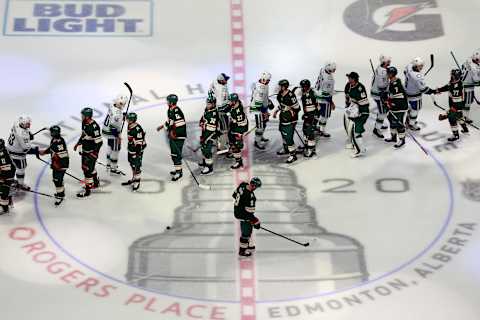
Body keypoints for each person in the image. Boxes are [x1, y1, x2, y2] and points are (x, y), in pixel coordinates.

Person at [74, 107, 103, 198]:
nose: (81, 116)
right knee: (91, 168)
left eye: (82, 115)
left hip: (91, 152)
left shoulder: (94, 127)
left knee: (86, 170)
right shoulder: (84, 123)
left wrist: (94, 154)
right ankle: (96, 182)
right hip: (85, 150)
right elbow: (84, 135)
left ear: (87, 116)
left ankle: (87, 190)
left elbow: (99, 142)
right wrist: (78, 143)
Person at [157, 94, 186, 181]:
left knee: (175, 154)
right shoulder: (170, 110)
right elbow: (170, 121)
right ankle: (178, 169)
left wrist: (175, 133)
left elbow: (181, 124)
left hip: (178, 136)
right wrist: (162, 126)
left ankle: (179, 173)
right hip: (174, 135)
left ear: (171, 102)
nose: (167, 102)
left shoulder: (176, 110)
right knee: (174, 154)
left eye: (168, 101)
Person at [436, 69, 469, 141]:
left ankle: (456, 135)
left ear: (456, 76)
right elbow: (447, 87)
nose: (451, 76)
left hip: (457, 105)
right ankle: (465, 129)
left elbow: (459, 100)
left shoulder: (458, 86)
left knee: (452, 119)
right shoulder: (453, 83)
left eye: (453, 75)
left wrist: (448, 114)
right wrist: (439, 90)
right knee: (459, 116)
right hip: (455, 105)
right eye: (451, 75)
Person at [39, 126, 69, 204]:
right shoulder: (57, 139)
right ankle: (61, 193)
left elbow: (60, 156)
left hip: (60, 165)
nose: (50, 133)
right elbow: (52, 149)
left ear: (53, 133)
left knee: (57, 180)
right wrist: (44, 152)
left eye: (51, 132)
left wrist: (56, 165)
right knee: (57, 180)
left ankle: (60, 196)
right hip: (58, 163)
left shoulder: (57, 143)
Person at [5, 115, 37, 190]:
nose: (29, 125)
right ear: (22, 123)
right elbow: (26, 148)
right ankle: (20, 184)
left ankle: (7, 181)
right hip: (17, 154)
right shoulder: (22, 135)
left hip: (8, 150)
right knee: (21, 169)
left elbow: (20, 131)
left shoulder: (16, 124)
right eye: (27, 124)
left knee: (10, 168)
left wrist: (28, 134)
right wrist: (36, 150)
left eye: (29, 123)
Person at [233, 177, 262, 257]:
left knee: (245, 227)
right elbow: (249, 214)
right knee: (246, 233)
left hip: (237, 211)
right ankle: (242, 251)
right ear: (255, 186)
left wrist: (241, 205)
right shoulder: (251, 196)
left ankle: (245, 245)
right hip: (243, 215)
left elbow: (234, 195)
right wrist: (256, 222)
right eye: (256, 187)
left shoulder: (243, 185)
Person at [273, 79, 301, 163]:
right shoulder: (280, 94)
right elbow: (282, 105)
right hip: (283, 117)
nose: (278, 87)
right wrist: (276, 111)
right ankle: (286, 149)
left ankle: (293, 155)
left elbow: (297, 108)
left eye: (280, 86)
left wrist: (290, 109)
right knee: (283, 133)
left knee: (288, 137)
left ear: (284, 87)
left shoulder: (291, 96)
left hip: (290, 119)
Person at [404, 57, 435, 130]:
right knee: (415, 110)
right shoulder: (417, 76)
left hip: (407, 93)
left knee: (410, 109)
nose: (422, 67)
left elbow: (405, 71)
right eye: (420, 65)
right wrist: (433, 91)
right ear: (416, 66)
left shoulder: (409, 67)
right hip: (415, 96)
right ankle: (411, 124)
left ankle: (408, 121)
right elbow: (424, 89)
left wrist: (414, 80)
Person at [344, 72, 370, 157]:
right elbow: (348, 97)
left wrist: (359, 112)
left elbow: (364, 103)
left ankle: (360, 150)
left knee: (356, 132)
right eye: (349, 78)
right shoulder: (349, 85)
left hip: (362, 113)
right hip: (354, 110)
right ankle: (353, 144)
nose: (349, 80)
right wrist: (349, 105)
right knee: (350, 127)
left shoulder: (360, 88)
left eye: (350, 78)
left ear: (355, 79)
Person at [384, 67, 409, 149]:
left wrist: (388, 102)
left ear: (391, 74)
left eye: (388, 73)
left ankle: (402, 140)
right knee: (391, 120)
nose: (386, 74)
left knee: (398, 123)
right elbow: (392, 95)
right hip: (395, 106)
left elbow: (399, 98)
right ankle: (393, 137)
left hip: (399, 107)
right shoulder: (392, 81)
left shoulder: (396, 84)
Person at [102, 95, 127, 175]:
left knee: (110, 146)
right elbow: (113, 126)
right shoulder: (118, 114)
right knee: (115, 150)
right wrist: (118, 137)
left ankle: (108, 164)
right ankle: (113, 168)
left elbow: (114, 115)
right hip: (112, 133)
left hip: (106, 130)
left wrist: (122, 115)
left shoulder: (112, 105)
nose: (123, 105)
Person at [122, 113, 146, 190]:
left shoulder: (137, 129)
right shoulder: (130, 124)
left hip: (137, 150)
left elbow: (139, 143)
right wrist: (124, 115)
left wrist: (137, 154)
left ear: (131, 120)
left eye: (128, 118)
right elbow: (125, 119)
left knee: (136, 165)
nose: (126, 120)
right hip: (131, 148)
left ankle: (137, 181)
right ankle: (134, 178)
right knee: (132, 164)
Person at [250, 71, 274, 150]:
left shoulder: (264, 85)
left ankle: (260, 137)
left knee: (264, 124)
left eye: (268, 80)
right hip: (258, 109)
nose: (268, 82)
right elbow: (258, 103)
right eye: (267, 80)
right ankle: (257, 142)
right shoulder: (261, 88)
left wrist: (268, 102)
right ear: (263, 79)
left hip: (263, 107)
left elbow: (264, 97)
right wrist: (264, 112)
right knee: (260, 126)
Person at [371, 54, 391, 138]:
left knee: (383, 111)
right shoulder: (382, 72)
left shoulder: (381, 68)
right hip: (379, 95)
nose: (390, 62)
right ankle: (377, 129)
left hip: (377, 93)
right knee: (382, 112)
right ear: (384, 62)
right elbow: (381, 86)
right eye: (388, 61)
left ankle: (379, 123)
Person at [209, 73, 230, 151]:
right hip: (221, 111)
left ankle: (215, 142)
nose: (227, 81)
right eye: (225, 79)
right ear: (221, 80)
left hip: (214, 109)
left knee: (215, 127)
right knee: (224, 129)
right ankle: (222, 146)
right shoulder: (221, 89)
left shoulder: (215, 82)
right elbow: (222, 106)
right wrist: (230, 105)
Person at [198, 96, 219, 175]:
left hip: (210, 134)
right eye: (207, 103)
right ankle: (205, 162)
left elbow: (212, 127)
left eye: (209, 104)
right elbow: (203, 118)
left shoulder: (213, 113)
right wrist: (201, 122)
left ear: (213, 104)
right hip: (205, 133)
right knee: (203, 148)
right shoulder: (207, 110)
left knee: (207, 150)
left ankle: (209, 168)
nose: (207, 105)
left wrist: (206, 137)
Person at [227, 93, 249, 169]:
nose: (229, 102)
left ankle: (239, 162)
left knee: (236, 146)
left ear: (235, 101)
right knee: (230, 139)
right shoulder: (235, 104)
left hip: (239, 128)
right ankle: (233, 148)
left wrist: (240, 134)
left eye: (230, 101)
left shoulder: (238, 111)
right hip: (234, 126)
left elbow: (242, 124)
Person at [315, 62, 336, 137]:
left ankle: (315, 127)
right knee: (325, 116)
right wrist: (332, 103)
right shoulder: (328, 79)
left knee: (317, 114)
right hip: (324, 100)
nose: (334, 71)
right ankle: (321, 130)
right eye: (333, 69)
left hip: (317, 97)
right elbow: (327, 94)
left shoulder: (322, 70)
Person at [299, 79, 317, 157]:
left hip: (312, 115)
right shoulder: (305, 93)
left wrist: (311, 115)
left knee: (309, 131)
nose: (302, 88)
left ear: (307, 86)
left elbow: (315, 105)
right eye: (302, 87)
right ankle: (307, 145)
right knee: (305, 129)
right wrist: (305, 114)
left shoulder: (311, 94)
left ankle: (311, 149)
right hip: (308, 114)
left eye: (304, 87)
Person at [461, 49, 480, 124]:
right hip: (468, 86)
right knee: (467, 103)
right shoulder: (474, 67)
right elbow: (476, 80)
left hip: (463, 84)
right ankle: (464, 117)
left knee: (465, 102)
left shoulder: (468, 60)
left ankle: (463, 116)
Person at [0, 139, 15, 214]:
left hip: (7, 174)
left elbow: (6, 168)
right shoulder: (3, 150)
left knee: (3, 192)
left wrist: (3, 179)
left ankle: (5, 209)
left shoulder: (2, 155)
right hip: (6, 172)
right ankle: (9, 202)